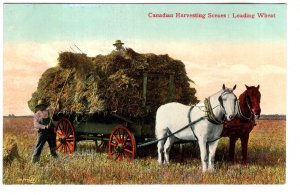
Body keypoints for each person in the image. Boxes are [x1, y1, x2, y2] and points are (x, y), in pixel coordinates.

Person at [32, 99, 58, 163]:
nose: (41, 107)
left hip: (51, 133)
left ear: (45, 106)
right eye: (40, 106)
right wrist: (44, 127)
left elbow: (57, 110)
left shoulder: (49, 112)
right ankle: (34, 161)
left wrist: (57, 103)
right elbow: (36, 124)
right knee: (39, 147)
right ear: (39, 106)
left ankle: (56, 161)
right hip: (42, 133)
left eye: (43, 105)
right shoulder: (37, 114)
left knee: (53, 148)